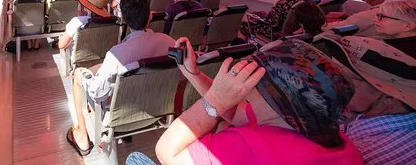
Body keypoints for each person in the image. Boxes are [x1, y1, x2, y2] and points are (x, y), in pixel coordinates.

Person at [128, 38, 361, 165]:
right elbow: (235, 114)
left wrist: (215, 99)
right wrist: (193, 74)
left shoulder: (248, 146)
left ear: (273, 98)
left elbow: (167, 152)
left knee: (135, 160)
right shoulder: (336, 141)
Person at [65, 0, 174, 157]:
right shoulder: (169, 43)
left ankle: (82, 135)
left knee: (80, 75)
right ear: (150, 16)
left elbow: (97, 94)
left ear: (123, 18)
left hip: (121, 117)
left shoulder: (117, 55)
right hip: (159, 110)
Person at [313, 31, 416, 165]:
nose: (334, 86)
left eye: (346, 81)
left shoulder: (374, 153)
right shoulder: (372, 110)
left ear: (389, 98)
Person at [326, 0, 402, 38]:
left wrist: (321, 19)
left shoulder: (371, 15)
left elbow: (329, 28)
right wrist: (348, 17)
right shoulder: (398, 10)